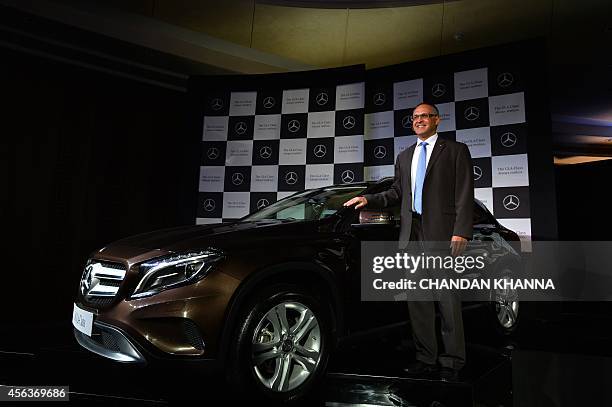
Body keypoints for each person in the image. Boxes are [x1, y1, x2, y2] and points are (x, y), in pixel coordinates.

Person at [344, 102, 474, 381]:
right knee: (418, 300)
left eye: (425, 116)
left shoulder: (455, 150)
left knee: (446, 300)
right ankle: (426, 358)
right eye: (415, 117)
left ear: (437, 120)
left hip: (442, 231)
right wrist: (369, 199)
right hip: (411, 232)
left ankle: (452, 360)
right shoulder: (404, 156)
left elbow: (464, 192)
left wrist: (461, 230)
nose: (419, 120)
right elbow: (396, 193)